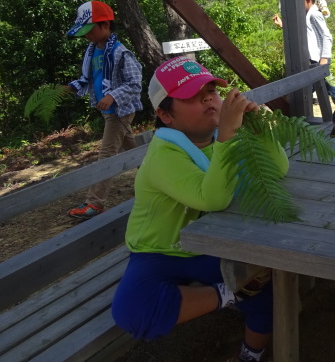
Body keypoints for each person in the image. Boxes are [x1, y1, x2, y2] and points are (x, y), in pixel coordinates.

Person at [112, 57, 287, 362]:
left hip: (209, 246)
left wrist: (258, 127)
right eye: (192, 95)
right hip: (159, 251)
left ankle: (250, 353)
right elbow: (212, 199)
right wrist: (230, 134)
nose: (209, 98)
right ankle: (230, 293)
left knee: (270, 298)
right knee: (132, 311)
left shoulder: (222, 138)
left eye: (212, 91)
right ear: (165, 115)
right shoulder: (163, 154)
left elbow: (276, 169)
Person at [65, 1, 143, 219]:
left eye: (89, 29)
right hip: (108, 112)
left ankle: (94, 203)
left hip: (120, 112)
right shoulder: (92, 51)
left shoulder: (120, 53)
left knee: (106, 155)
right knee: (134, 150)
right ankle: (157, 179)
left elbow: (135, 83)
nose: (86, 35)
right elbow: (88, 79)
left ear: (106, 25)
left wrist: (112, 96)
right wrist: (70, 88)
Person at [272, 0, 335, 106]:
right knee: (327, 88)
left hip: (320, 59)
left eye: (299, 1)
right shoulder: (308, 14)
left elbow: (326, 36)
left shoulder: (314, 14)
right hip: (316, 59)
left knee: (320, 88)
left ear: (308, 0)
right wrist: (282, 25)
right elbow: (304, 32)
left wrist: (324, 58)